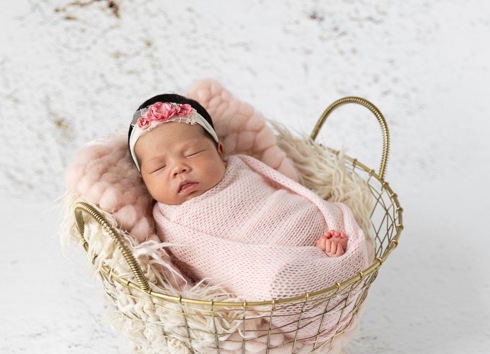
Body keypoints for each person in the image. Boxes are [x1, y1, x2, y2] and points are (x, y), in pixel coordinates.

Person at [127, 94, 350, 258]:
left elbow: (281, 191)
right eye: (158, 167)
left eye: (192, 153)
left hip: (293, 221)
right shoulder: (166, 222)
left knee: (313, 219)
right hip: (265, 263)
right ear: (144, 181)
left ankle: (328, 248)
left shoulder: (241, 168)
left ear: (220, 152)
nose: (178, 169)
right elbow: (201, 265)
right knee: (279, 282)